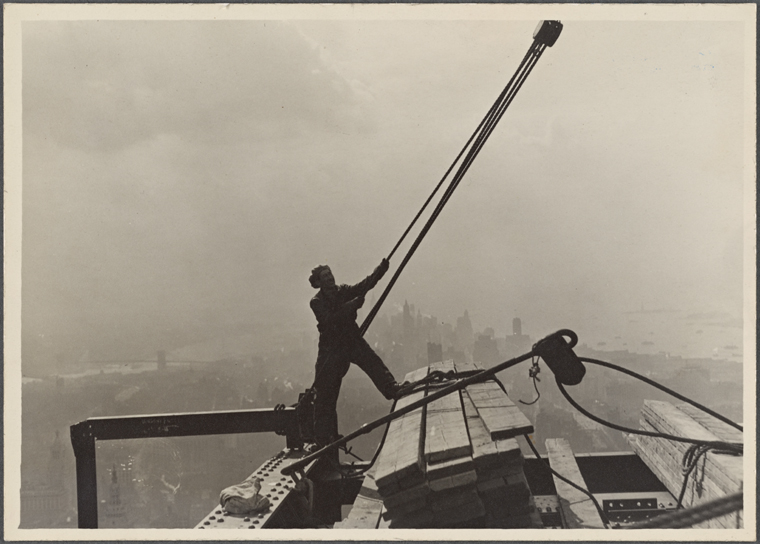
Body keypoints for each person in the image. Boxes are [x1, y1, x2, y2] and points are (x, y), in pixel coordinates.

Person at [308, 259, 403, 448]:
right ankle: (324, 438)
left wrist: (380, 270)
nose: (330, 278)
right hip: (331, 350)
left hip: (350, 340)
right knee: (326, 393)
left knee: (373, 363)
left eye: (330, 274)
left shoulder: (342, 291)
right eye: (325, 276)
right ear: (319, 282)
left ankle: (392, 388)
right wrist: (351, 306)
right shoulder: (317, 302)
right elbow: (329, 320)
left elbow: (364, 285)